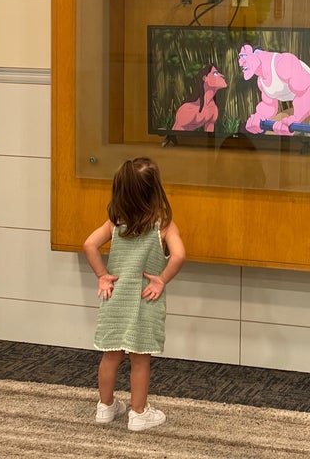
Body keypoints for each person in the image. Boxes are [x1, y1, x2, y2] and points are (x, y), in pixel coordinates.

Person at [83, 157, 186, 431]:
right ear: (155, 191)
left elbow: (89, 245)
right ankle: (138, 413)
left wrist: (102, 275)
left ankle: (105, 407)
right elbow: (179, 255)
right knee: (140, 360)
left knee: (110, 356)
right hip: (145, 302)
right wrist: (161, 280)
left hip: (115, 299)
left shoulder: (115, 223)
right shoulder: (163, 226)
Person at [172, 64, 227, 132]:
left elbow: (209, 134)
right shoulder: (188, 109)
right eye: (215, 73)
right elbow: (176, 133)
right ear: (205, 78)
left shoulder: (213, 109)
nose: (222, 75)